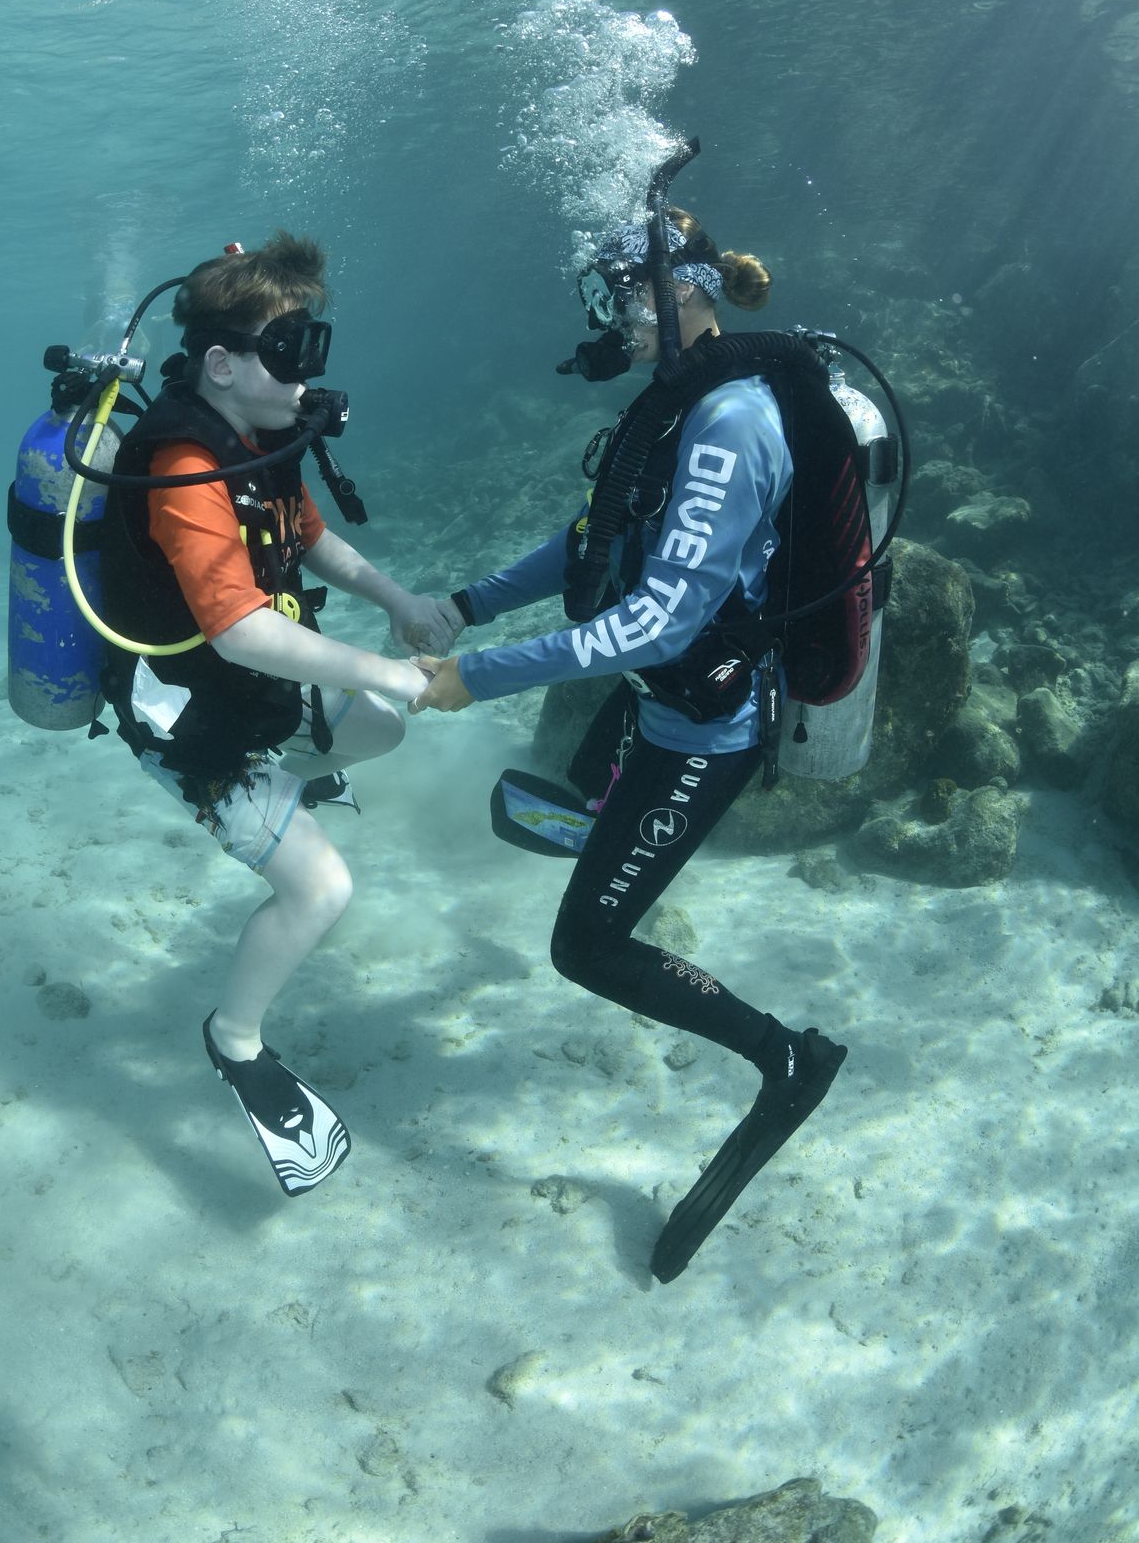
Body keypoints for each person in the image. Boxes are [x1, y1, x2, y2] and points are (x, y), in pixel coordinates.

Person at [412, 205, 848, 1280]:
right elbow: (592, 540)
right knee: (575, 791)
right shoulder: (676, 403)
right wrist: (466, 604)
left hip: (705, 729)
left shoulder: (730, 423)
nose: (613, 318)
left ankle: (785, 1058)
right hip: (655, 704)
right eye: (604, 295)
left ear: (679, 287)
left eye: (622, 294)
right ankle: (603, 820)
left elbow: (656, 620)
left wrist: (478, 674)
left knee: (588, 946)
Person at [99, 234, 442, 1195]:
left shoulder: (262, 436)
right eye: (290, 351)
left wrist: (398, 600)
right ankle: (236, 1041)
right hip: (191, 721)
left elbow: (309, 537)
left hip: (253, 693)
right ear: (221, 364)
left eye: (312, 347)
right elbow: (243, 632)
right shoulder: (183, 463)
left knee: (380, 728)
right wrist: (390, 667)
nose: (308, 374)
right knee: (320, 890)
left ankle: (287, 789)